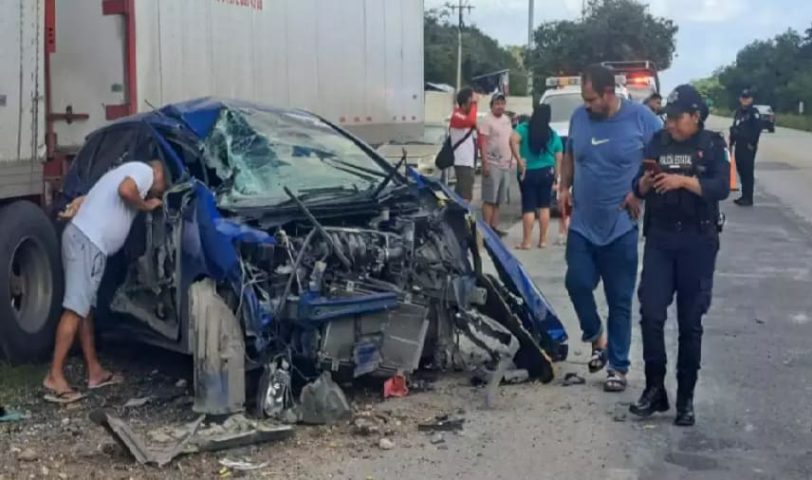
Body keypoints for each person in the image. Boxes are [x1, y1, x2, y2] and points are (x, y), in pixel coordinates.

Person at [629, 85, 729, 426]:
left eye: (676, 118)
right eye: (667, 117)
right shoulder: (658, 141)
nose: (670, 123)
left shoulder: (712, 145)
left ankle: (685, 398)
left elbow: (720, 188)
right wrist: (644, 184)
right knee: (651, 314)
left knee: (690, 324)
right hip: (660, 238)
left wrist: (682, 182)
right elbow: (636, 186)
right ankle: (655, 389)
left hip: (697, 243)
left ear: (695, 117)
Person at [557, 64, 661, 392]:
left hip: (621, 225)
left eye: (591, 99)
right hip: (584, 223)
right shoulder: (579, 118)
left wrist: (640, 191)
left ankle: (617, 366)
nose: (586, 105)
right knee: (576, 281)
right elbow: (571, 154)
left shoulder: (641, 120)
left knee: (619, 299)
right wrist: (563, 187)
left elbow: (661, 157)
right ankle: (595, 337)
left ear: (608, 93)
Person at [43, 160, 167, 403]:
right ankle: (54, 375)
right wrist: (146, 205)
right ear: (159, 172)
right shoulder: (144, 173)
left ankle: (94, 372)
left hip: (86, 241)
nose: (162, 191)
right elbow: (125, 191)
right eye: (164, 186)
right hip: (86, 242)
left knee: (84, 309)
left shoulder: (122, 170)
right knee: (75, 309)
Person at [511, 104, 562, 249]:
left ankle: (527, 242)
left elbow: (512, 140)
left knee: (529, 207)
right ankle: (543, 241)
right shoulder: (552, 134)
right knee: (544, 207)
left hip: (529, 172)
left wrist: (519, 159)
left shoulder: (524, 129)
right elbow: (559, 157)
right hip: (547, 172)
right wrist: (556, 177)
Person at [480, 93, 515, 236]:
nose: (500, 106)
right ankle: (486, 229)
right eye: (497, 103)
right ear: (492, 105)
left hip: (505, 164)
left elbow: (510, 140)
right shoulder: (487, 120)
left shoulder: (507, 120)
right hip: (492, 163)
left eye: (502, 103)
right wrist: (485, 162)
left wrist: (513, 159)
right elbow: (482, 142)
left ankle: (494, 228)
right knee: (489, 198)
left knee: (499, 200)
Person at [729, 89, 761, 206]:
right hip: (739, 145)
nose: (745, 100)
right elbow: (734, 127)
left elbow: (757, 129)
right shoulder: (739, 112)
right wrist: (731, 141)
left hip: (748, 146)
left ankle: (748, 197)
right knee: (741, 170)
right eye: (743, 98)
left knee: (747, 171)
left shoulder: (753, 112)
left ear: (751, 99)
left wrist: (752, 144)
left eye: (747, 98)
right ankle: (744, 196)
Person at [449, 87, 480, 202]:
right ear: (465, 102)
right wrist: (475, 104)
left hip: (468, 162)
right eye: (471, 101)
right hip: (463, 162)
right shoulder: (457, 115)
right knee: (465, 197)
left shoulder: (464, 117)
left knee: (462, 194)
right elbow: (471, 121)